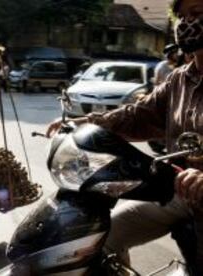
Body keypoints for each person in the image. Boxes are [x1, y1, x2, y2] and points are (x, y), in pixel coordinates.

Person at [47, 0, 203, 273]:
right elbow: (137, 115)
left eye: (197, 13)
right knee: (92, 240)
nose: (186, 23)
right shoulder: (179, 80)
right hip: (179, 191)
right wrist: (86, 122)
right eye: (181, 16)